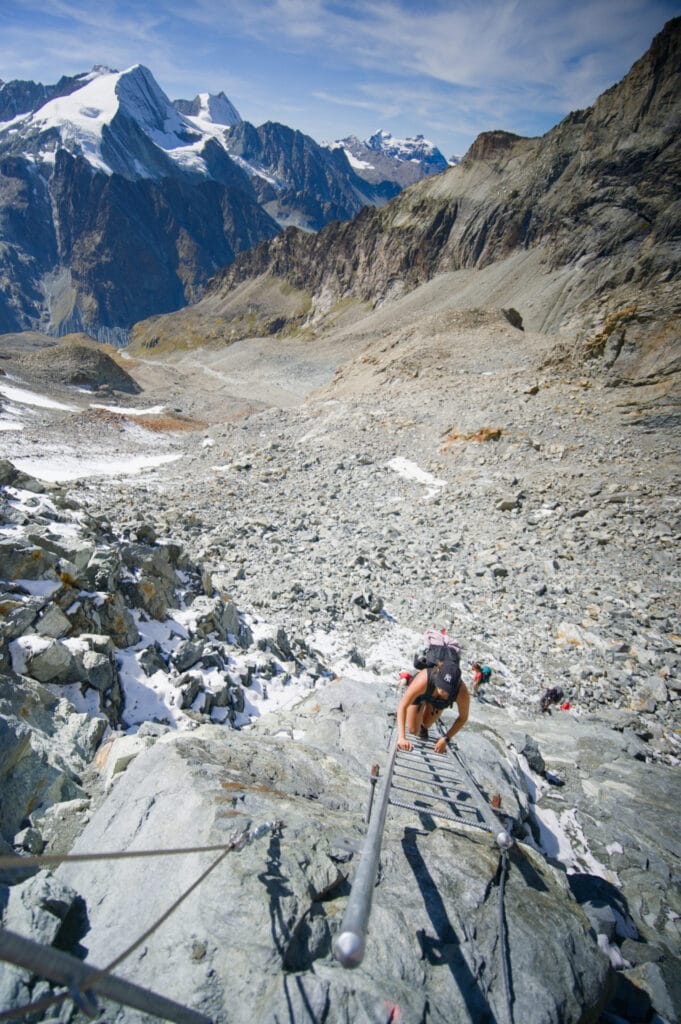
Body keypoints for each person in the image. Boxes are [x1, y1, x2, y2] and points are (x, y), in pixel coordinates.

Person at [396, 659, 470, 754]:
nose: (443, 691)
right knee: (412, 729)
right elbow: (402, 705)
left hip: (438, 702)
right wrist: (401, 737)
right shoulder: (424, 678)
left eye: (447, 689)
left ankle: (425, 711)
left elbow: (463, 718)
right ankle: (410, 681)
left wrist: (446, 738)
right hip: (423, 692)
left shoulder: (462, 692)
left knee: (426, 724)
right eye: (441, 686)